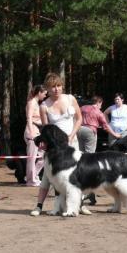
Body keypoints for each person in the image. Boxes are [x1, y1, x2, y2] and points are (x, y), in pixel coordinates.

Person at [30, 72, 83, 216]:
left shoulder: (70, 99)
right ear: (47, 88)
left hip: (72, 144)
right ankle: (39, 206)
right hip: (55, 148)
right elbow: (46, 130)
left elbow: (79, 119)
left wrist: (72, 135)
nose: (56, 89)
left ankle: (79, 205)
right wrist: (43, 143)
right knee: (48, 177)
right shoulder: (44, 106)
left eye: (59, 86)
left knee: (76, 175)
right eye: (53, 87)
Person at [24, 85, 47, 187]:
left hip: (38, 131)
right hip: (32, 131)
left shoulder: (37, 104)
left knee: (43, 155)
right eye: (44, 93)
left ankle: (33, 175)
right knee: (32, 157)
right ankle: (31, 180)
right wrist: (31, 132)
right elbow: (29, 118)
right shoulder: (31, 103)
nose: (45, 95)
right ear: (39, 92)